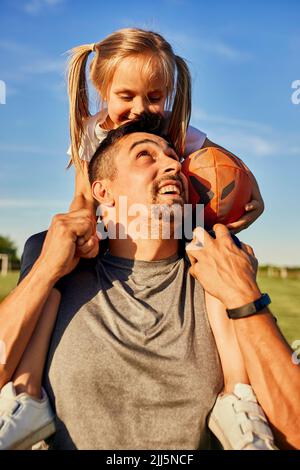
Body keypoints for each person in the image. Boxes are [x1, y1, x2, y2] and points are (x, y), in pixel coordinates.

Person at [0, 25, 265, 448]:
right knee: (41, 247)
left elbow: (230, 171)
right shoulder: (90, 132)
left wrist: (254, 200)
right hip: (107, 225)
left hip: (174, 222)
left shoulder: (182, 135)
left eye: (155, 96)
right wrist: (77, 234)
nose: (141, 107)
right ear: (103, 89)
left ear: (170, 94)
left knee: (218, 250)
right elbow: (82, 198)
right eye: (126, 96)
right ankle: (27, 392)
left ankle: (237, 398)